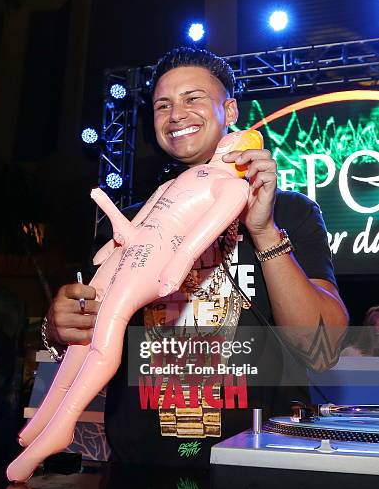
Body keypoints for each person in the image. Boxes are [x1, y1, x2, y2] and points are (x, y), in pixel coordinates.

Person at [44, 47, 348, 467]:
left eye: (193, 98)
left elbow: (322, 350)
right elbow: (93, 329)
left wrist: (261, 229)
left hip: (259, 468)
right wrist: (60, 326)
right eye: (163, 104)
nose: (176, 114)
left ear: (231, 110)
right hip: (141, 469)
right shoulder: (132, 221)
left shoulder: (289, 212)